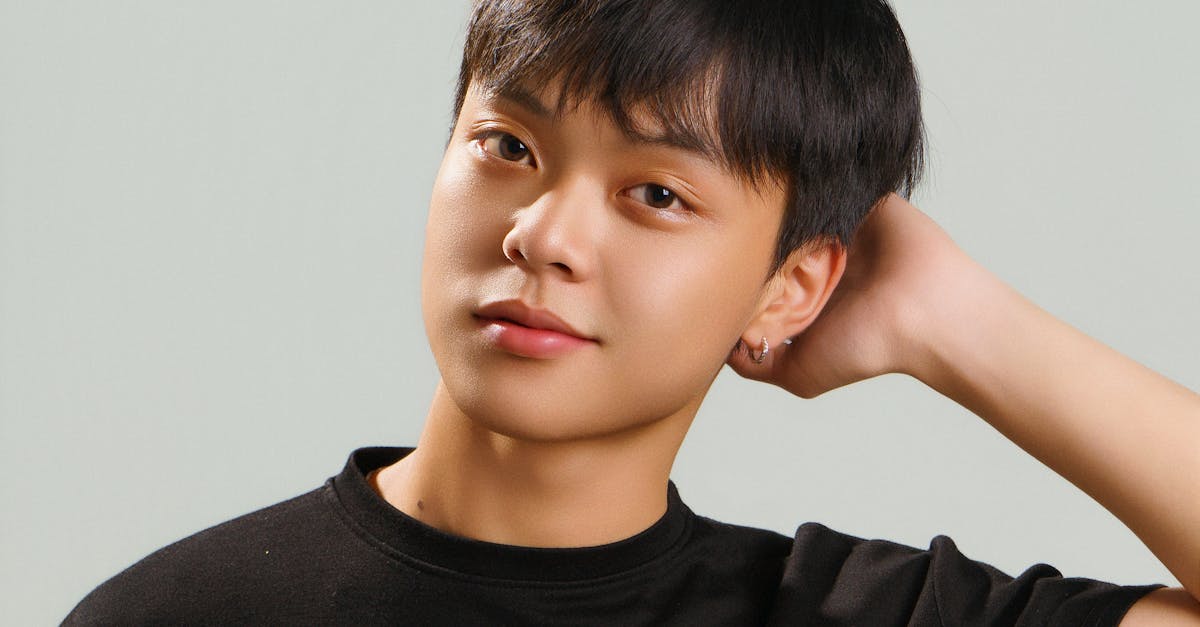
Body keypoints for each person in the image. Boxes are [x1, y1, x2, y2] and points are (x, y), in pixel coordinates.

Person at [65, 1, 1200, 624]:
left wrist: (962, 325)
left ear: (792, 285)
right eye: (507, 147)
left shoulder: (850, 615)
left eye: (656, 194)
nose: (543, 235)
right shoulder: (177, 613)